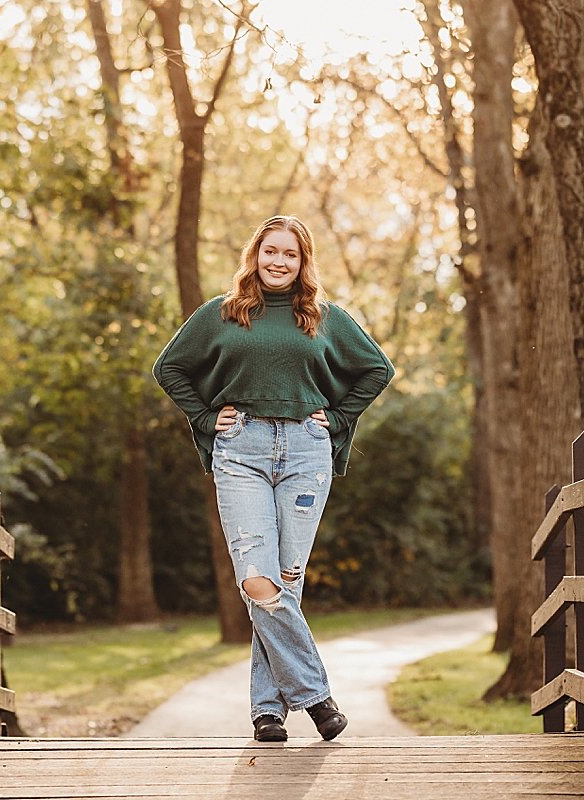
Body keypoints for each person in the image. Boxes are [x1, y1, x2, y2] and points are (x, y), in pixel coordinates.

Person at [152, 214, 395, 742]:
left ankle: (268, 710)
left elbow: (378, 369)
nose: (278, 262)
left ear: (303, 261)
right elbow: (169, 367)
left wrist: (337, 416)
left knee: (284, 583)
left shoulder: (325, 318)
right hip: (241, 450)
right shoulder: (222, 314)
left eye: (289, 254)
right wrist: (201, 416)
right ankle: (317, 697)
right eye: (270, 252)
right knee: (257, 580)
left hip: (307, 452)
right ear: (254, 256)